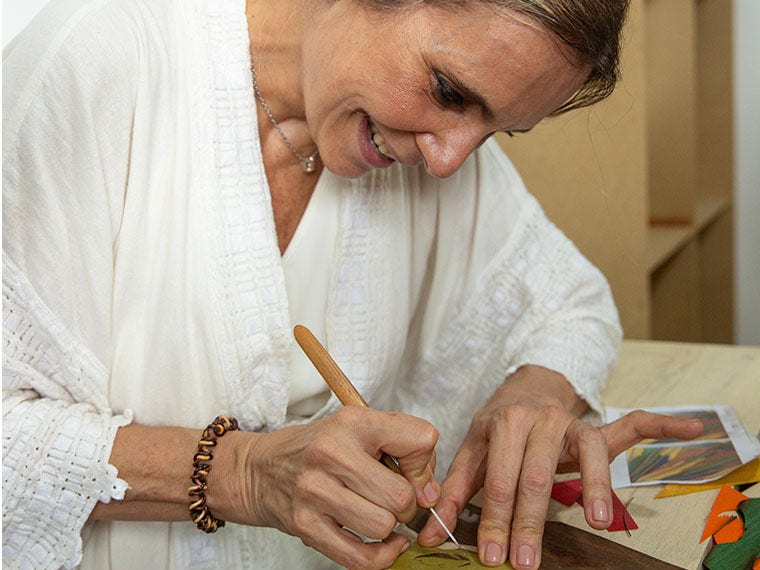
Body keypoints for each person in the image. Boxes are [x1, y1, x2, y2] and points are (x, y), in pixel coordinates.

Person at [2, 0, 703, 568]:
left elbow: (568, 303)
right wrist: (242, 473)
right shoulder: (94, 65)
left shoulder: (420, 137)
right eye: (450, 92)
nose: (451, 161)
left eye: (497, 132)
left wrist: (533, 396)